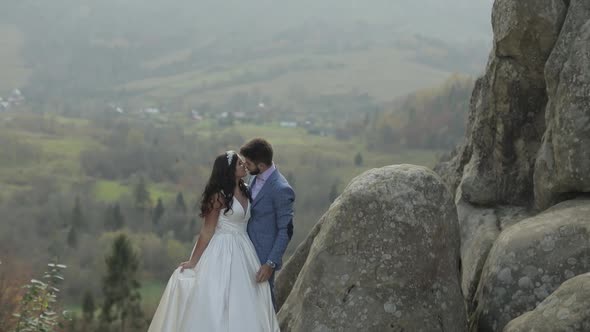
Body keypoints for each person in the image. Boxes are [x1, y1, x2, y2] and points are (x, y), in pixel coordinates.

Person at [147, 151, 279, 332]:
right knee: (218, 298)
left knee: (246, 299)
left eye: (243, 163)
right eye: (240, 164)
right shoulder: (218, 196)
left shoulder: (246, 189)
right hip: (221, 250)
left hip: (245, 250)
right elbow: (207, 230)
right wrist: (193, 261)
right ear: (229, 171)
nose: (244, 165)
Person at [240, 138, 295, 310]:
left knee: (264, 306)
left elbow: (286, 230)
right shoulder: (255, 178)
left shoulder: (281, 189)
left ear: (261, 166)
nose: (245, 166)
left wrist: (270, 263)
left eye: (248, 163)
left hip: (263, 258)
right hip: (244, 250)